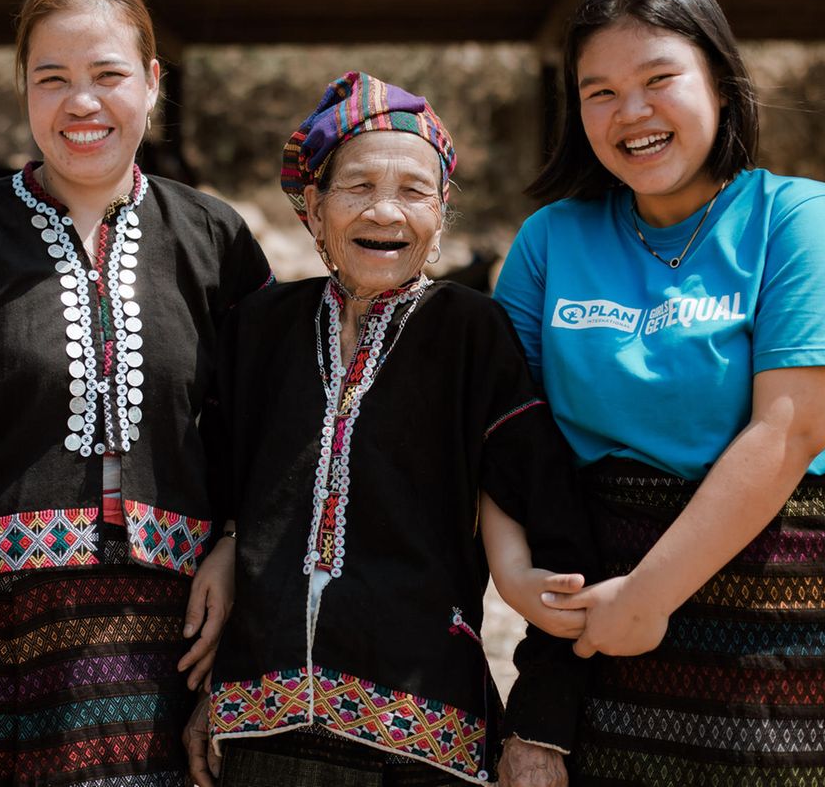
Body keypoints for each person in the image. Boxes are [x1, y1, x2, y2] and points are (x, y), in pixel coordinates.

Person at [0, 0, 273, 786]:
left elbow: (264, 429)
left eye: (108, 75)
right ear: (25, 92)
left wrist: (232, 548)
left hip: (161, 640)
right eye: (54, 79)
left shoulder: (214, 240)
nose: (82, 103)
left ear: (152, 84)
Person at [493, 0, 825, 785]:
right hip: (597, 608)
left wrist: (652, 594)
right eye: (599, 91)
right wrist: (512, 569)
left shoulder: (798, 217)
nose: (630, 112)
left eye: (659, 78)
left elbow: (791, 427)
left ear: (721, 82)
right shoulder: (549, 240)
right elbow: (502, 426)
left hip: (777, 598)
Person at [184, 72, 592, 787]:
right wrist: (205, 695)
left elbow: (558, 538)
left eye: (414, 191)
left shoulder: (474, 336)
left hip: (423, 741)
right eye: (357, 187)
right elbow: (220, 500)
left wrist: (541, 726)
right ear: (313, 208)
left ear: (442, 216)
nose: (386, 211)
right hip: (259, 737)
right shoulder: (260, 332)